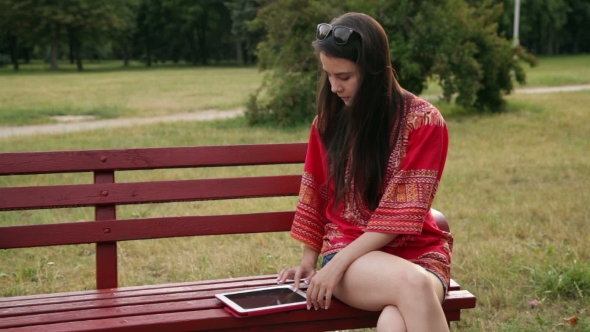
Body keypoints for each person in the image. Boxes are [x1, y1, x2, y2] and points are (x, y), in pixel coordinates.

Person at [276, 12, 453, 332]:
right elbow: (316, 192)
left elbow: (402, 213)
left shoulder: (425, 122)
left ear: (374, 71)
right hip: (351, 255)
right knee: (413, 286)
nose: (333, 87)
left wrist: (334, 268)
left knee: (394, 322)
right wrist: (310, 260)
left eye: (344, 76)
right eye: (328, 75)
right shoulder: (327, 124)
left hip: (421, 256)